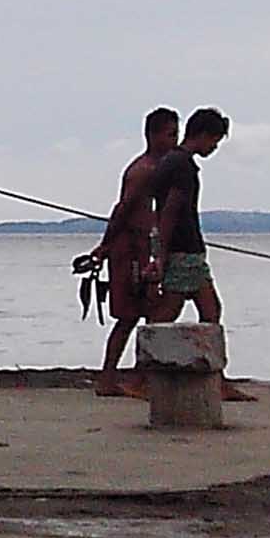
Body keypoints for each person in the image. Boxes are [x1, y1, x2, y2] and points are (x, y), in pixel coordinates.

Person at [148, 108, 250, 400]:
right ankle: (146, 374)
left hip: (184, 249)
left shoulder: (170, 162)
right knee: (169, 314)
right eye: (214, 141)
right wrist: (162, 254)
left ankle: (214, 376)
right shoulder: (182, 167)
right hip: (184, 250)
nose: (214, 148)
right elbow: (169, 211)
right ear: (203, 135)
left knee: (205, 310)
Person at [83, 108, 182, 397]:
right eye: (170, 134)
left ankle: (139, 375)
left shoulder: (163, 169)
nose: (174, 140)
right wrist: (104, 246)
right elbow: (122, 210)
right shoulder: (142, 170)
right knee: (129, 316)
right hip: (129, 249)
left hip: (146, 247)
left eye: (176, 134)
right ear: (152, 135)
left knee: (154, 311)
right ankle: (111, 378)